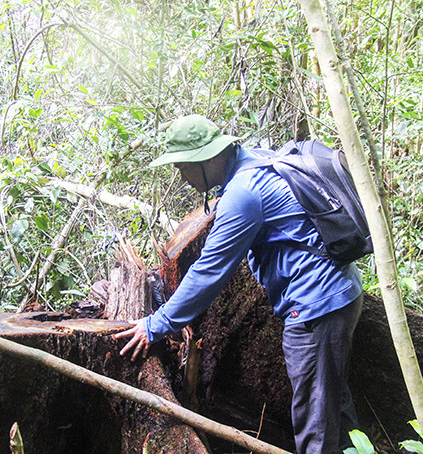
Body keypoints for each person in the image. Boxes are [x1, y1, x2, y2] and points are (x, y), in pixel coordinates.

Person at [114, 114, 363, 453]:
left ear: (212, 158)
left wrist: (156, 325)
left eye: (186, 167)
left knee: (315, 420)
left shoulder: (243, 195)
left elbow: (209, 272)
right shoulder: (259, 159)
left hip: (315, 308)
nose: (184, 177)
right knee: (332, 401)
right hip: (340, 293)